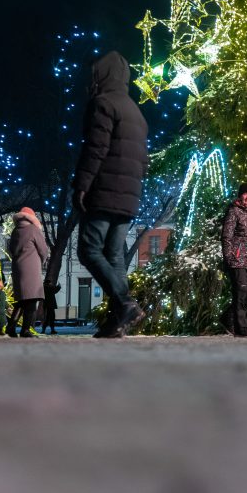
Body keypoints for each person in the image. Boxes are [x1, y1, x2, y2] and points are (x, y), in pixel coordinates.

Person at [72, 51, 149, 338]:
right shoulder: (136, 112)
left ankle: (126, 303)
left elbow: (95, 149)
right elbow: (143, 160)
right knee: (114, 255)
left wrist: (81, 185)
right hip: (129, 194)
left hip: (104, 189)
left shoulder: (103, 104)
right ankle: (117, 319)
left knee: (89, 249)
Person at [221, 183, 247, 337]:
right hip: (237, 259)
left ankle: (228, 316)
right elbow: (226, 235)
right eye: (245, 194)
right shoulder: (233, 211)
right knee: (241, 291)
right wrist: (229, 256)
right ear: (240, 196)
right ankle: (241, 327)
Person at [7, 208, 49, 338]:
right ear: (32, 218)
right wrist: (41, 261)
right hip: (31, 267)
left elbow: (10, 249)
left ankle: (11, 327)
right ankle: (25, 330)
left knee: (21, 300)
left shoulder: (15, 231)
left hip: (17, 267)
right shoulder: (33, 230)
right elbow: (43, 250)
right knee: (32, 300)